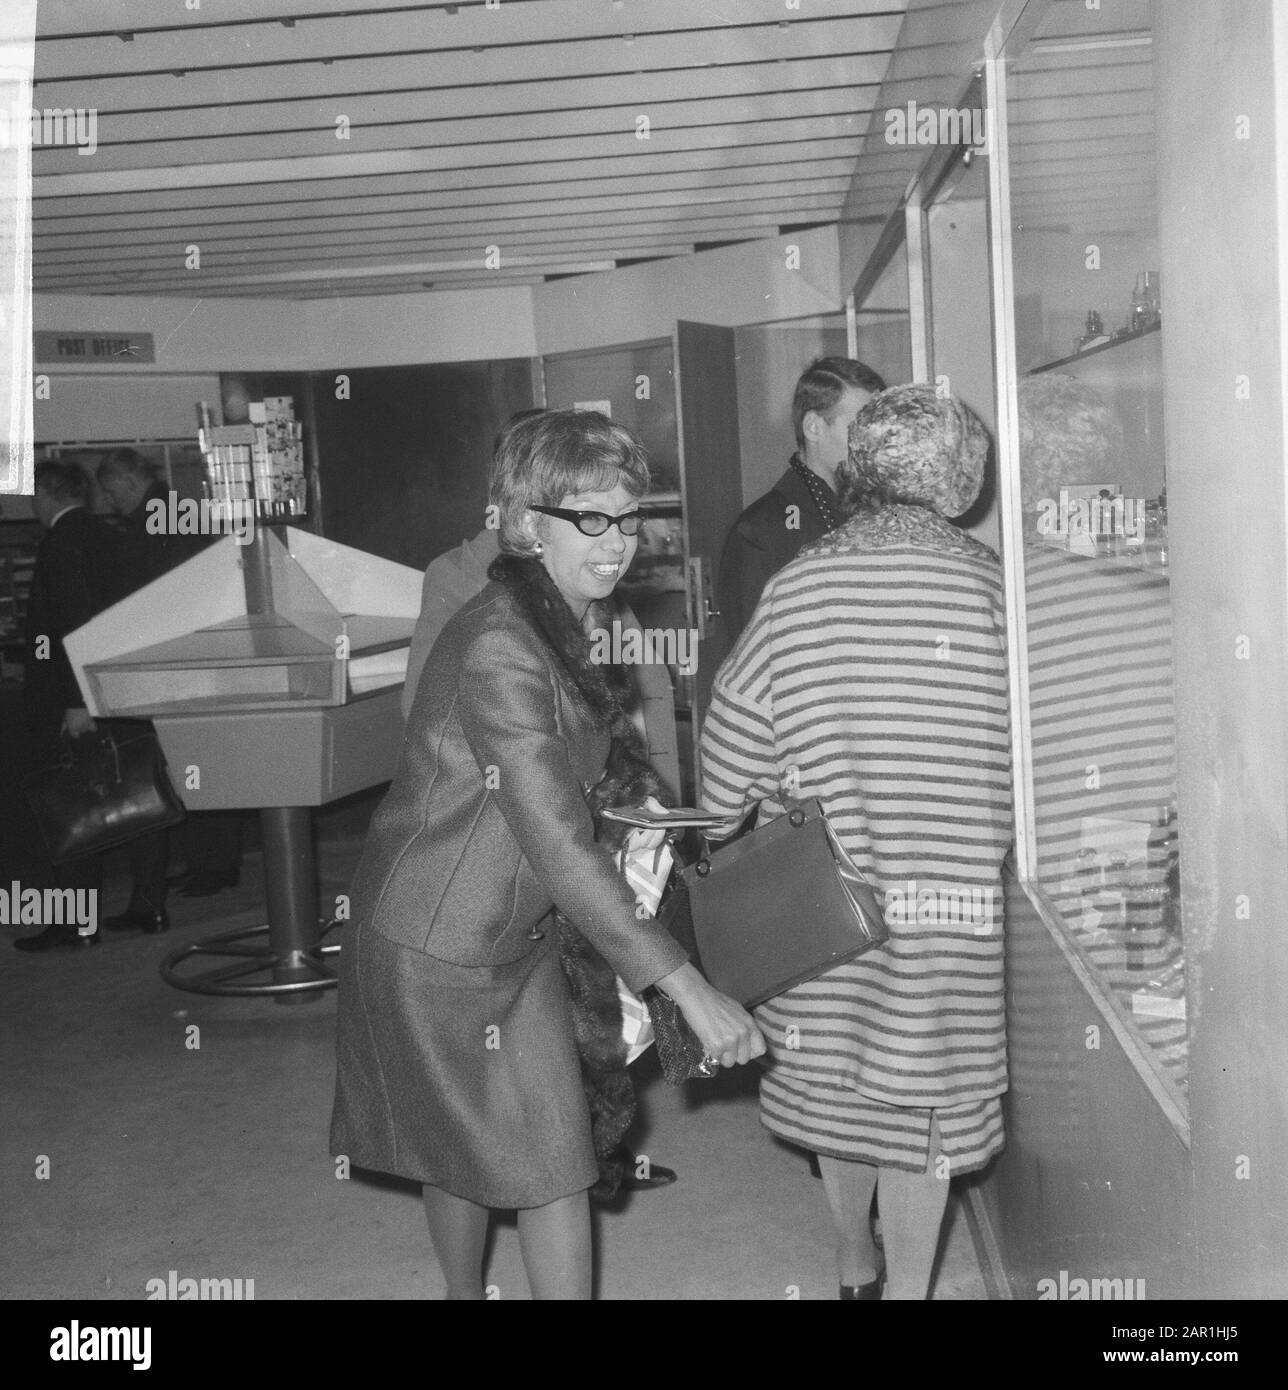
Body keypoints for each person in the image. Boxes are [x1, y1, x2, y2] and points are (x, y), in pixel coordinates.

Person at [331, 410, 765, 1300]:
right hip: (437, 939)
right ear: (529, 525)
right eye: (591, 520)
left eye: (629, 515)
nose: (619, 543)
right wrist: (684, 985)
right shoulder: (500, 641)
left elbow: (576, 794)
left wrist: (697, 812)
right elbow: (552, 835)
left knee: (552, 1157)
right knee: (462, 1151)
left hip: (521, 929)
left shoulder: (563, 619)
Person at [700, 384, 1012, 1300]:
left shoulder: (803, 585)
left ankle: (852, 1264)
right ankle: (908, 1289)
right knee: (926, 1100)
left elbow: (734, 726)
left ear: (865, 470)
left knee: (838, 1086)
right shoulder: (991, 590)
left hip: (823, 892)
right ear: (961, 482)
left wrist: (724, 829)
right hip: (953, 897)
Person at [15, 463, 130, 950]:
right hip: (102, 685)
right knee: (92, 804)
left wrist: (73, 701)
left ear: (44, 494)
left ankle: (75, 922)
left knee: (69, 811)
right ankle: (82, 919)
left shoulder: (60, 544)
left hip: (68, 699)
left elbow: (67, 624)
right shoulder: (106, 535)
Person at [717, 356, 885, 643]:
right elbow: (754, 658)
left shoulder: (872, 512)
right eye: (860, 426)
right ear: (813, 427)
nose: (874, 441)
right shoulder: (759, 532)